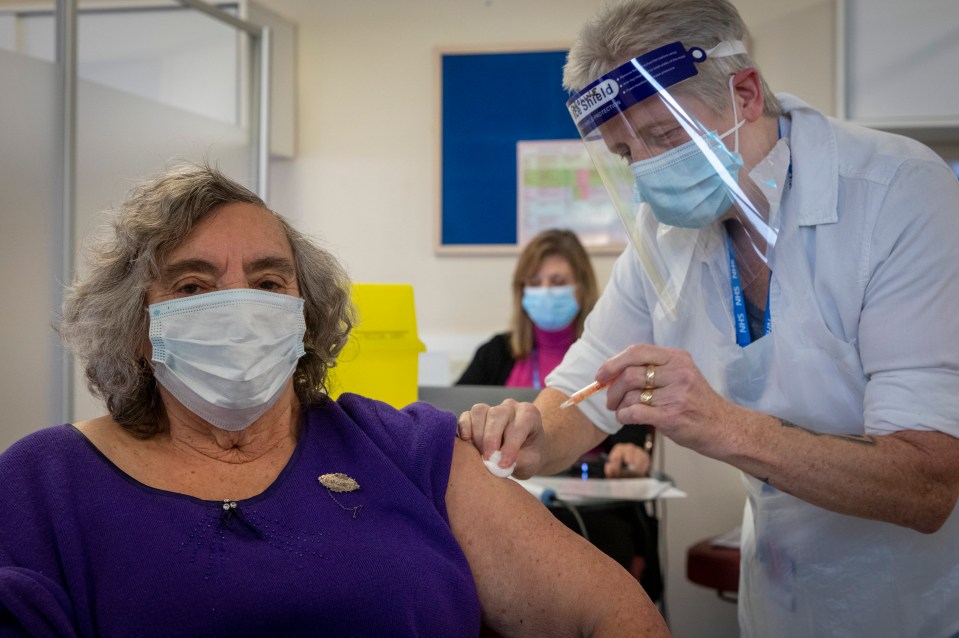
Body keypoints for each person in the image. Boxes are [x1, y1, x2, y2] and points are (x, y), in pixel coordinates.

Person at [457, 1, 959, 636]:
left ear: (744, 93)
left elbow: (927, 484)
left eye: (665, 138)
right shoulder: (664, 232)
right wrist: (529, 436)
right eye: (624, 153)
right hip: (777, 597)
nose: (646, 173)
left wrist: (723, 427)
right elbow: (583, 395)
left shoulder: (897, 192)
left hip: (917, 605)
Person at [0, 164, 671, 638]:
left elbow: (611, 613)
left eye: (267, 281)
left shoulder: (406, 452)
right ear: (139, 330)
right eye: (193, 287)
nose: (239, 309)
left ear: (304, 317)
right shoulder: (47, 485)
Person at [457, 229, 662, 598]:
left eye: (557, 281)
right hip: (509, 498)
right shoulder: (495, 354)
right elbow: (456, 417)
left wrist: (630, 455)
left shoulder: (611, 357)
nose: (545, 291)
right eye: (534, 283)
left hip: (592, 507)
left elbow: (633, 437)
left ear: (581, 288)